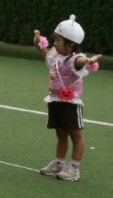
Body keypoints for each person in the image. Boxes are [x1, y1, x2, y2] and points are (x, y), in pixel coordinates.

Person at [33, 15, 102, 182]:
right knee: (61, 134)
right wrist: (37, 44)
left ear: (70, 44)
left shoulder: (74, 59)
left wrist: (88, 60)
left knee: (76, 136)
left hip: (70, 104)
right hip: (55, 100)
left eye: (58, 40)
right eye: (55, 39)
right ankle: (59, 163)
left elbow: (80, 61)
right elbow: (46, 55)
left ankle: (74, 168)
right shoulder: (56, 56)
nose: (55, 43)